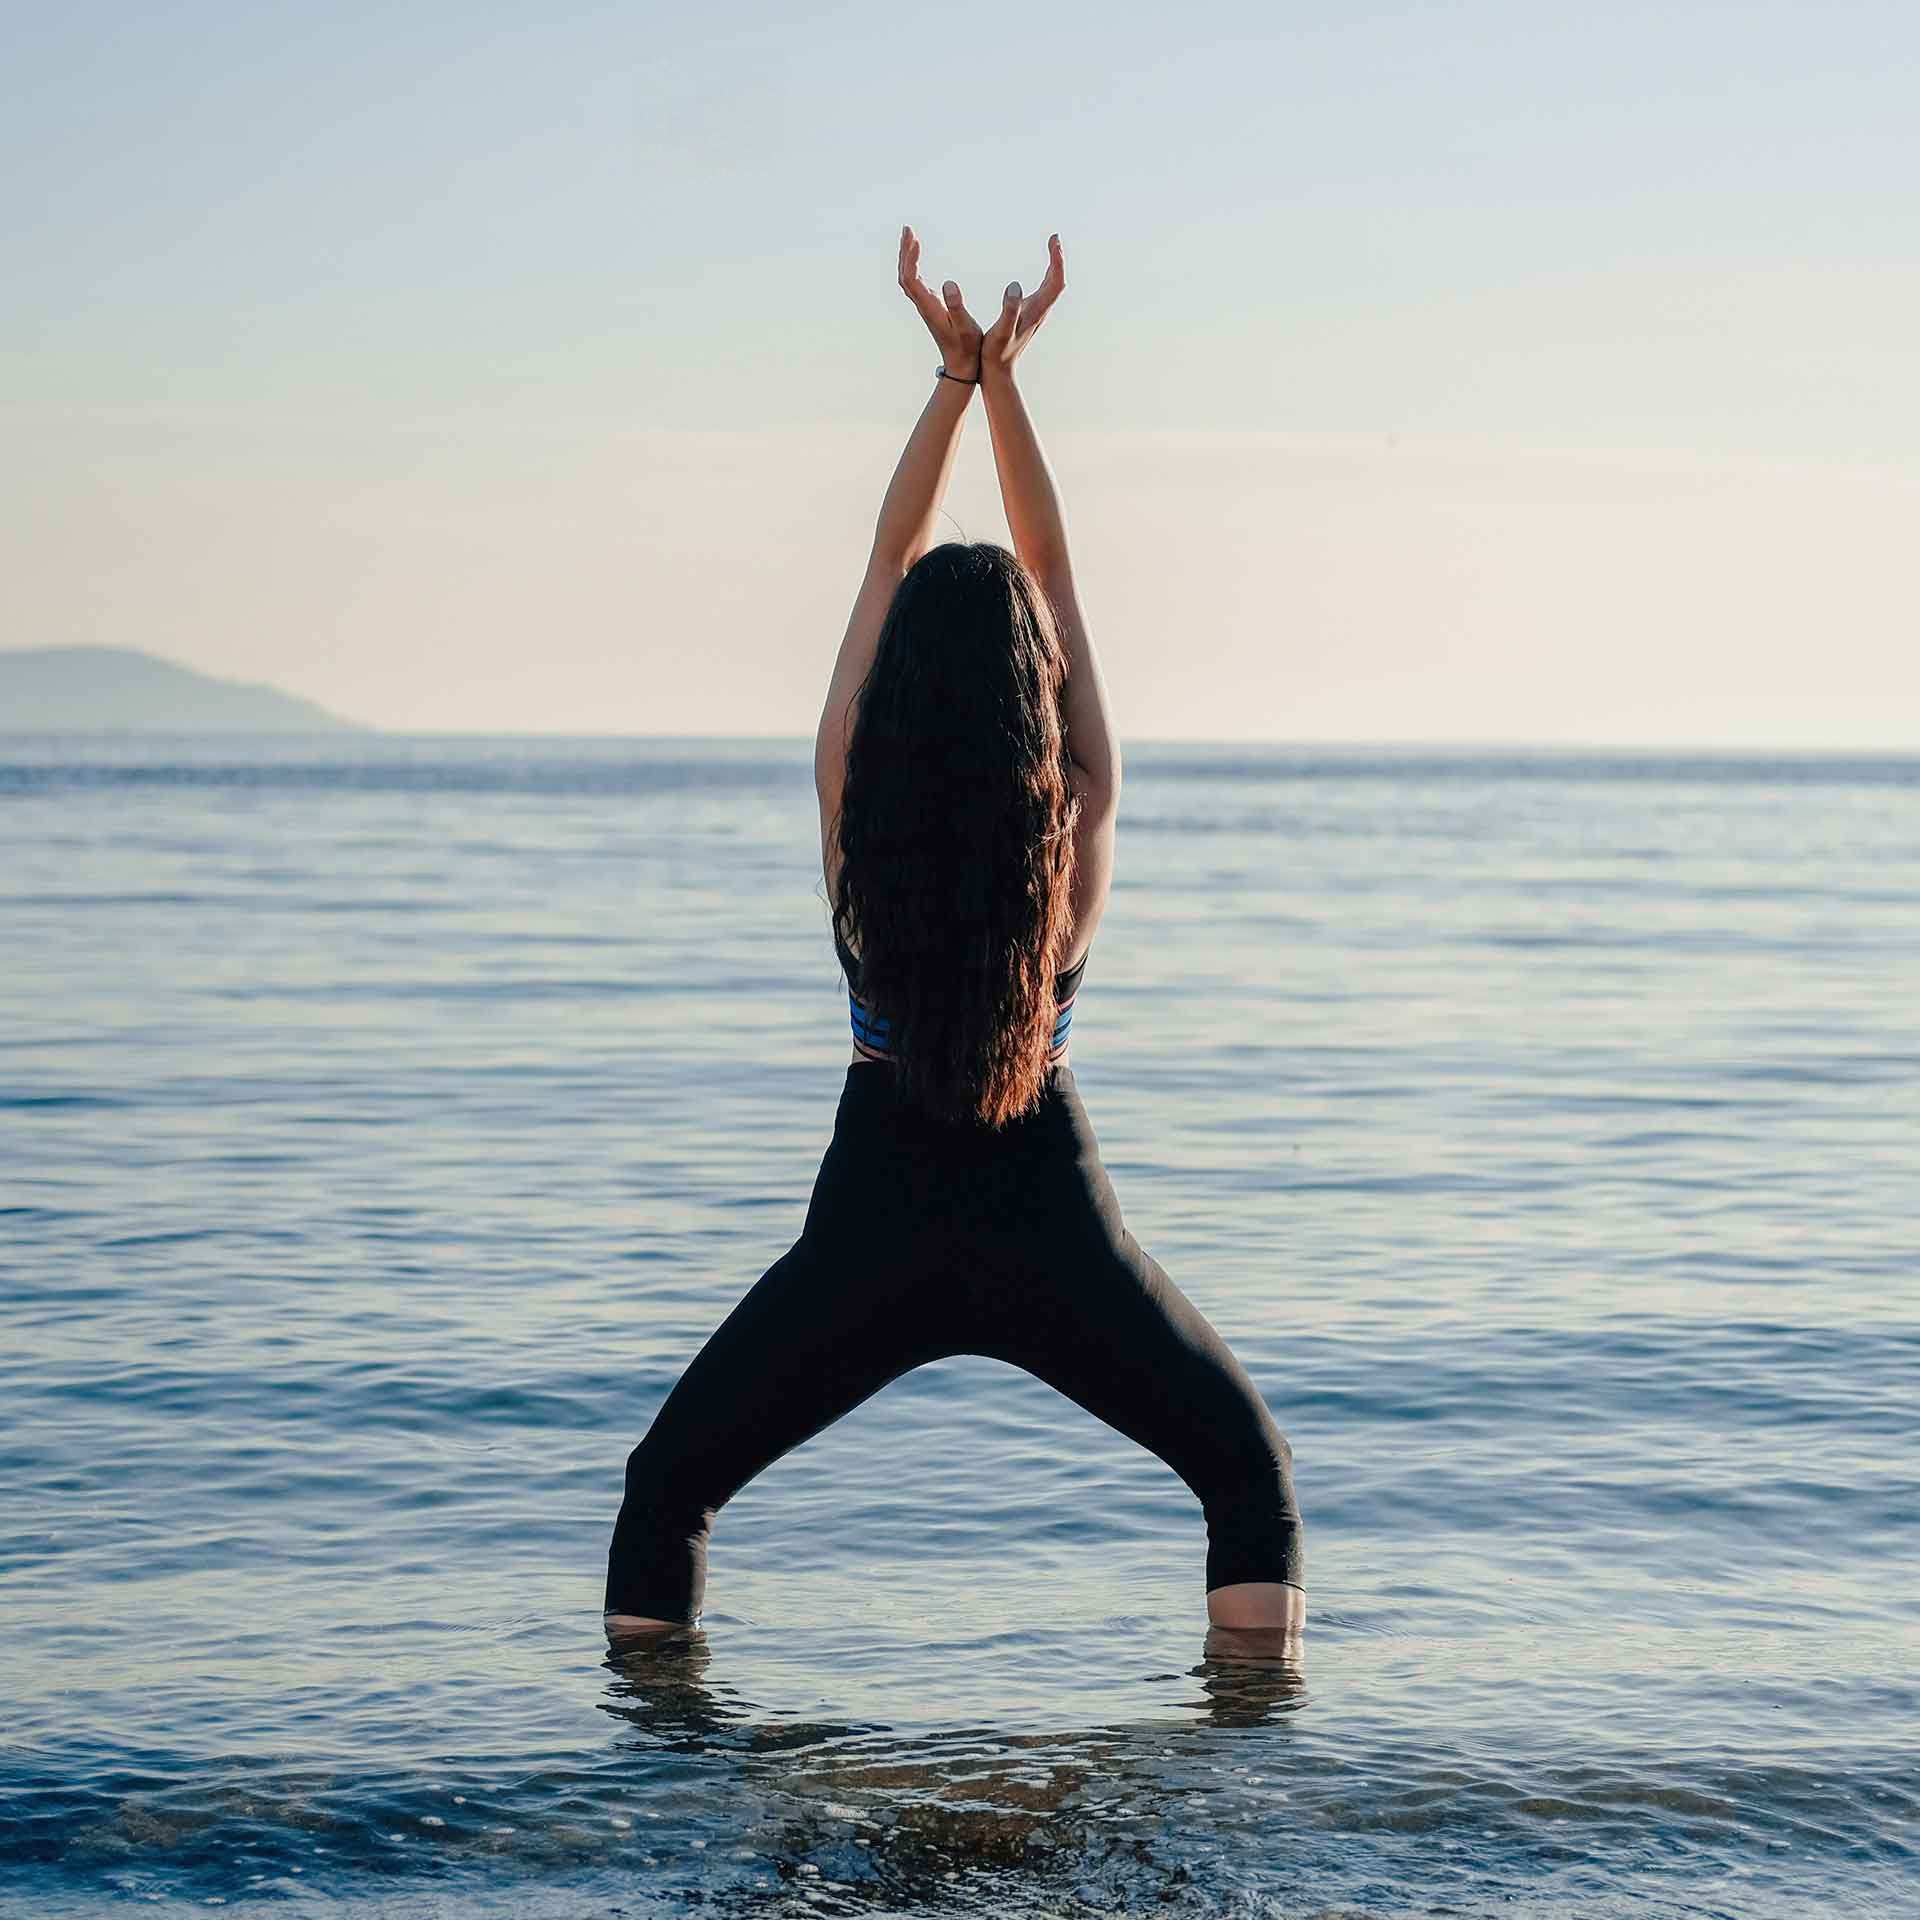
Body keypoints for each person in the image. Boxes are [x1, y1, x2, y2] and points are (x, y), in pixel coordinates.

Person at [604, 229, 1305, 1639]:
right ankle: (1238, 1794)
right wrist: (1007, 384)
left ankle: (662, 1812)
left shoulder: (851, 813)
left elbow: (885, 561)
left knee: (668, 1488)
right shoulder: (1080, 829)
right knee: (1246, 1476)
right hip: (1051, 1214)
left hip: (873, 1218)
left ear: (897, 710)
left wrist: (951, 376)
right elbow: (1054, 565)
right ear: (1032, 700)